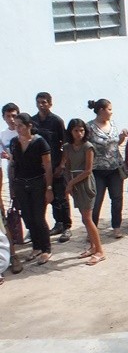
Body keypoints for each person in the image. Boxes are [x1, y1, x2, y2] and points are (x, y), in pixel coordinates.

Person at [60, 118, 105, 265]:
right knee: (84, 217)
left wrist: (71, 183)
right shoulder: (67, 147)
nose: (79, 133)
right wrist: (69, 182)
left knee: (87, 218)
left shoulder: (88, 147)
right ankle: (92, 247)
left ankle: (100, 251)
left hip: (85, 184)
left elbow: (88, 170)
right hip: (74, 183)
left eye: (81, 130)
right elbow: (66, 167)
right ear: (70, 131)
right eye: (75, 130)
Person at [10, 113, 52, 265]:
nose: (18, 128)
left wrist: (49, 187)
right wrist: (12, 185)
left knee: (38, 217)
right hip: (21, 183)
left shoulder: (40, 142)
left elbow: (47, 166)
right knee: (27, 217)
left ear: (29, 126)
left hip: (37, 182)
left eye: (20, 125)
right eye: (16, 125)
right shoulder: (14, 142)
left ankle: (46, 249)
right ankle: (36, 247)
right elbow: (13, 164)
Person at [31, 92, 71, 242]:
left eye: (44, 102)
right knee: (49, 197)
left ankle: (66, 226)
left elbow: (65, 145)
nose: (41, 105)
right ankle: (58, 224)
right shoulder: (33, 122)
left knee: (61, 196)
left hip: (55, 165)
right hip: (40, 167)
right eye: (39, 102)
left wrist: (62, 165)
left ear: (50, 103)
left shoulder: (56, 121)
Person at [86, 99, 127, 239]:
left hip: (115, 168)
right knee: (96, 200)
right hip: (98, 170)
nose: (111, 112)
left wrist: (121, 138)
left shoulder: (113, 124)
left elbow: (115, 144)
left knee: (117, 198)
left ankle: (116, 227)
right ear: (101, 110)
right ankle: (92, 229)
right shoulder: (89, 127)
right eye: (109, 109)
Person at [0, 103, 23, 276]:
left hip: (25, 175)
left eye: (14, 115)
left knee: (4, 220)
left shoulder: (23, 131)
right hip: (13, 175)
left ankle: (14, 255)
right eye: (8, 116)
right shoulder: (2, 136)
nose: (12, 119)